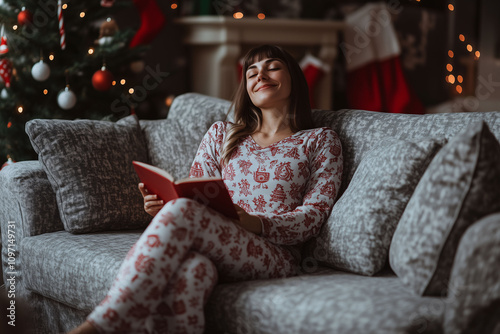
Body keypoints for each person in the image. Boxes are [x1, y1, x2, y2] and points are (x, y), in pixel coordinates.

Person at [68, 44, 343, 334]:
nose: (260, 75)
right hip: (213, 241)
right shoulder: (221, 135)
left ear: (294, 79)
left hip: (276, 254)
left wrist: (256, 223)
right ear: (246, 88)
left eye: (272, 67)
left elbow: (316, 213)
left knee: (183, 213)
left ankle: (102, 325)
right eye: (251, 72)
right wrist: (166, 208)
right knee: (192, 272)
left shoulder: (319, 140)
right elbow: (196, 194)